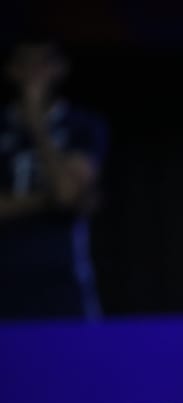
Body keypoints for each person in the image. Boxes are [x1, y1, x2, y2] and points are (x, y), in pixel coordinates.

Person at [0, 37, 108, 320]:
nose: (35, 72)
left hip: (62, 277)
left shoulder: (82, 126)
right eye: (27, 63)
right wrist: (46, 202)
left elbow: (66, 194)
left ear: (60, 68)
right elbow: (62, 199)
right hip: (6, 276)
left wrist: (36, 122)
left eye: (44, 62)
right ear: (12, 70)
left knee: (80, 359)